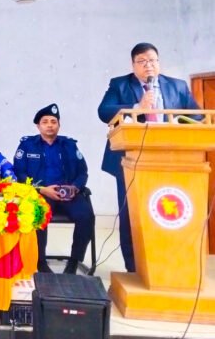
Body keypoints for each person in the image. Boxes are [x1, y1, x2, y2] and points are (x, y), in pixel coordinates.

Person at [97, 42, 201, 272]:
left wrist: (181, 125)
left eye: (152, 60)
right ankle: (133, 268)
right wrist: (137, 106)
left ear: (159, 62)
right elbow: (104, 112)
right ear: (133, 65)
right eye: (142, 61)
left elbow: (196, 117)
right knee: (131, 214)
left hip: (171, 161)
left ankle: (168, 264)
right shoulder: (120, 84)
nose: (148, 66)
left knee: (168, 210)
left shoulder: (177, 86)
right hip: (129, 161)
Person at [13, 104, 94, 275]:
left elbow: (83, 172)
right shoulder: (27, 145)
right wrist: (41, 189)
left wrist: (75, 187)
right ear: (38, 126)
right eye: (45, 122)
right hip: (41, 193)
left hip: (68, 193)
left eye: (53, 121)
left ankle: (74, 261)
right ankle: (40, 261)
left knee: (86, 216)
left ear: (59, 125)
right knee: (37, 214)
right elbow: (19, 174)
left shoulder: (69, 145)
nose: (50, 125)